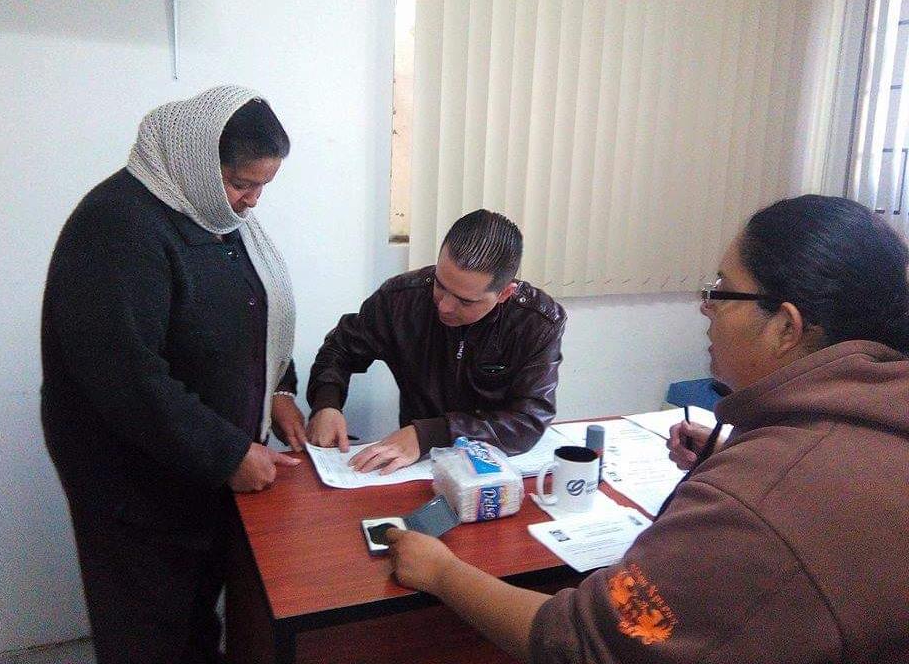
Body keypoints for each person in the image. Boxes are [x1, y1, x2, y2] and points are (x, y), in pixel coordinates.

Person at [385, 195, 909, 662]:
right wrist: (737, 453)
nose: (704, 310)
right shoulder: (874, 420)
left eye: (720, 292)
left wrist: (442, 573)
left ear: (786, 327)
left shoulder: (753, 502)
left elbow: (586, 641)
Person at [41, 86, 304, 663]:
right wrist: (229, 453)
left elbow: (256, 319)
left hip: (201, 475)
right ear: (197, 160)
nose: (252, 203)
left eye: (262, 187)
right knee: (146, 633)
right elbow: (127, 377)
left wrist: (279, 391)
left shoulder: (211, 214)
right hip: (135, 487)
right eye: (242, 184)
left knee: (193, 624)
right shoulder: (115, 227)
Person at [305, 209, 566, 473]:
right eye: (440, 285)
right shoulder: (401, 300)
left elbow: (528, 419)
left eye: (465, 300)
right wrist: (326, 404)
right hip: (415, 468)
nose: (445, 306)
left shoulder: (537, 322)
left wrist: (431, 434)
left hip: (498, 470)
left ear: (504, 294)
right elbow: (340, 348)